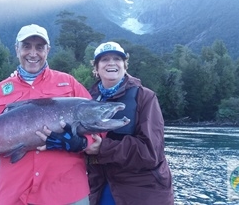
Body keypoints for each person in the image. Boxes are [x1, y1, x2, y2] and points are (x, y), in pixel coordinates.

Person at [0, 24, 92, 205]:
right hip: (14, 194)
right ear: (16, 49)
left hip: (66, 192)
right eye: (26, 46)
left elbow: (97, 128)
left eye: (39, 47)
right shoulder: (0, 90)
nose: (33, 53)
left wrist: (81, 143)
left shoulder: (69, 83)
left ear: (48, 50)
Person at [37, 41, 174, 204]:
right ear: (96, 68)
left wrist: (103, 148)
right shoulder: (86, 98)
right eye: (104, 59)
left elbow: (151, 152)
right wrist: (74, 144)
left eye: (117, 59)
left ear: (125, 65)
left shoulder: (145, 97)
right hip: (100, 190)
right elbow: (82, 146)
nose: (111, 63)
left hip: (142, 193)